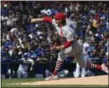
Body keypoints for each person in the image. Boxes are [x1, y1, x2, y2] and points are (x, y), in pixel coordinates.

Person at [30, 12, 108, 80]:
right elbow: (48, 19)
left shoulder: (67, 29)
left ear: (60, 20)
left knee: (61, 55)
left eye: (57, 19)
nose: (55, 20)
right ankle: (101, 67)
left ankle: (54, 75)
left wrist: (59, 47)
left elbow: (69, 42)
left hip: (75, 44)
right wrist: (35, 20)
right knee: (83, 64)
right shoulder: (57, 23)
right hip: (76, 44)